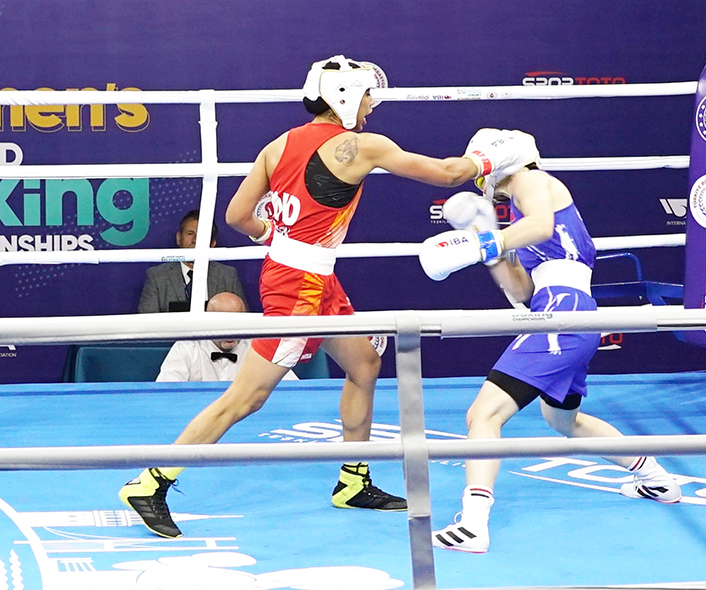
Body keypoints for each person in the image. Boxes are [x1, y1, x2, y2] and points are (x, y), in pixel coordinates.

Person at [119, 54, 535, 538]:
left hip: (303, 272)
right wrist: (498, 155)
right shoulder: (360, 146)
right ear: (346, 96)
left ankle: (353, 480)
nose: (371, 108)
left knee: (363, 363)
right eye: (367, 98)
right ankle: (151, 482)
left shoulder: (278, 146)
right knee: (246, 397)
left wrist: (272, 235)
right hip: (299, 286)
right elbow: (446, 174)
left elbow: (236, 216)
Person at [419, 131, 682, 554]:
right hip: (566, 311)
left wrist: (490, 239)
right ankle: (656, 480)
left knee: (483, 414)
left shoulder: (532, 181)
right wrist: (486, 245)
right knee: (563, 422)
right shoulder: (519, 217)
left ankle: (472, 525)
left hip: (563, 311)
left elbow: (541, 227)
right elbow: (521, 290)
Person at [156, 292, 298, 383]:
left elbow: (292, 388)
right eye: (224, 324)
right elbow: (165, 393)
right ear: (208, 322)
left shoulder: (259, 347)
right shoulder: (185, 348)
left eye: (237, 323)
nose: (231, 331)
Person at [137, 209, 248, 313]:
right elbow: (146, 324)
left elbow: (243, 321)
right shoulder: (157, 276)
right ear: (178, 238)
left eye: (202, 236)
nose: (195, 241)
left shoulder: (227, 275)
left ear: (213, 243)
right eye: (190, 234)